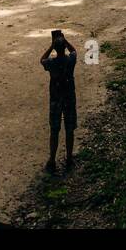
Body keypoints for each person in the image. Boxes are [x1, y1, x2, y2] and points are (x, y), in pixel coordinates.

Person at [40, 29, 77, 172]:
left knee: (54, 130)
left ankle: (52, 160)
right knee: (69, 129)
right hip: (69, 98)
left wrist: (51, 46)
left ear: (55, 49)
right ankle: (69, 158)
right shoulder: (70, 61)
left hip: (56, 99)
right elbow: (74, 51)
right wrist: (65, 40)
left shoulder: (51, 63)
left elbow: (41, 60)